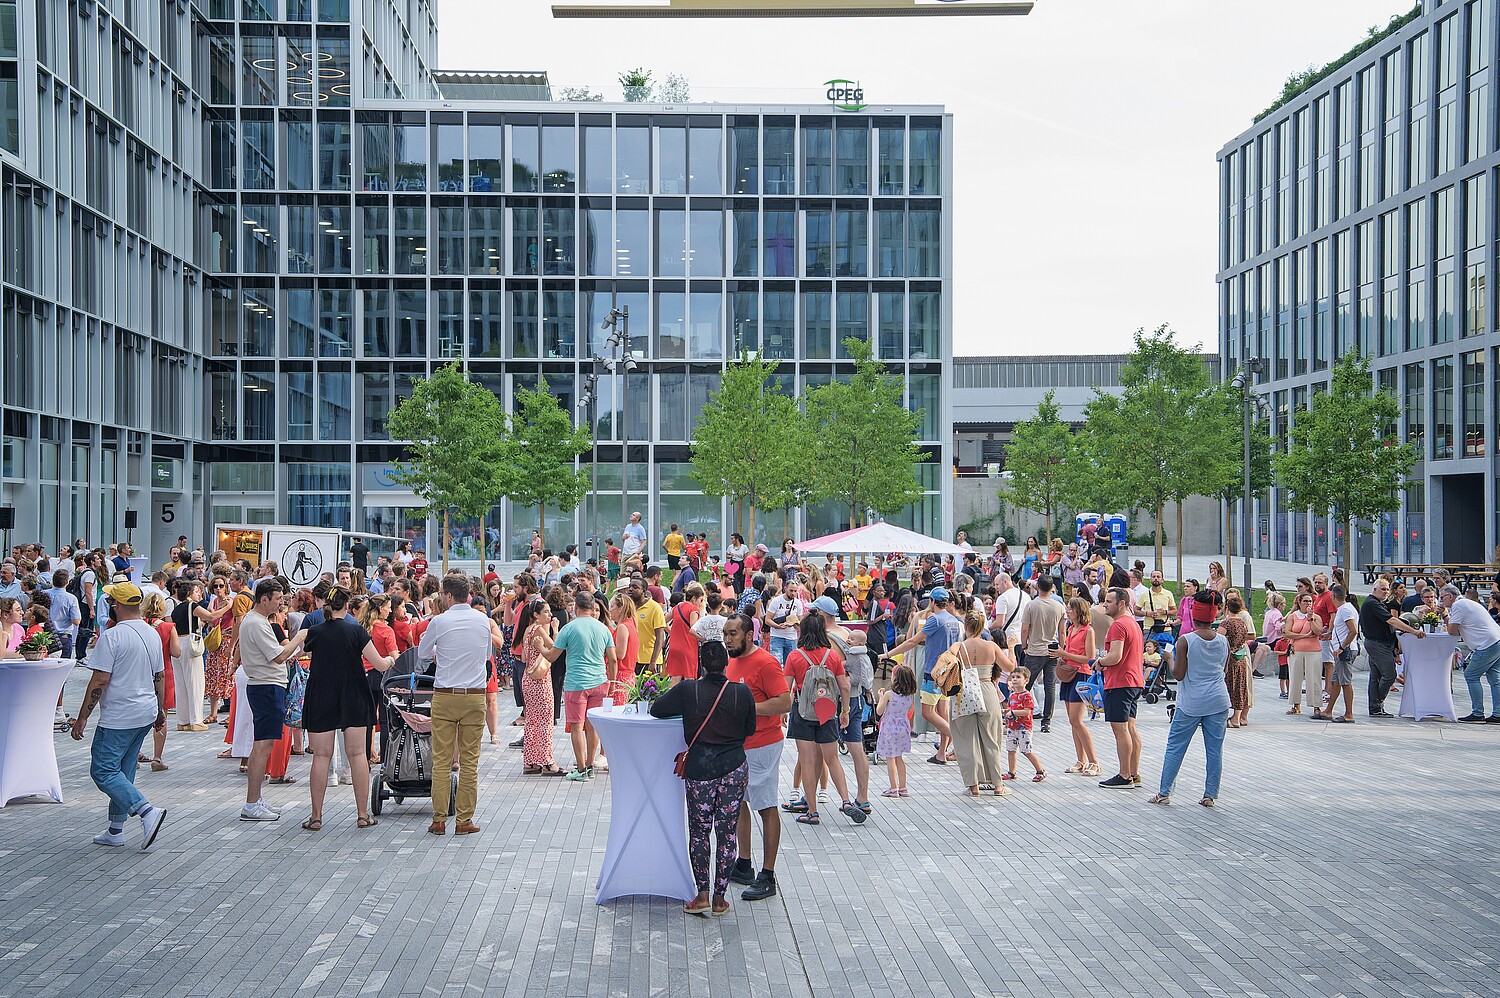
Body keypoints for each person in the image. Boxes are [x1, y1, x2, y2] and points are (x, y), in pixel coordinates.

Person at [650, 640, 756, 917]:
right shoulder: (741, 692)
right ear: (726, 663)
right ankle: (721, 899)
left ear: (701, 664)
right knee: (726, 833)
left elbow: (657, 709)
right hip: (734, 766)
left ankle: (702, 896)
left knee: (699, 833)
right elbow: (750, 729)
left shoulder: (688, 690)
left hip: (700, 769)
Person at [68, 581, 168, 850]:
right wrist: (160, 709)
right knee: (123, 770)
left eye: (112, 601)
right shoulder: (151, 633)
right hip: (145, 710)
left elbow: (100, 679)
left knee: (103, 770)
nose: (110, 605)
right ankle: (115, 829)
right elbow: (159, 676)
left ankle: (146, 811)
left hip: (120, 714)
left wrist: (82, 717)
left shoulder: (112, 636)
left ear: (118, 605)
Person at [300, 585, 396, 831]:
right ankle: (363, 815)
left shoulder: (316, 632)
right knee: (357, 755)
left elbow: (302, 651)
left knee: (321, 756)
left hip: (321, 693)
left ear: (326, 607)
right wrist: (392, 659)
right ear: (347, 605)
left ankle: (316, 816)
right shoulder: (356, 631)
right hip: (353, 693)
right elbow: (380, 664)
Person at [723, 613, 792, 902]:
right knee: (739, 803)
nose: (727, 640)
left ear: (749, 635)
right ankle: (744, 863)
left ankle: (768, 874)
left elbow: (784, 701)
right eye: (725, 634)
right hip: (739, 744)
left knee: (765, 806)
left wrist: (746, 707)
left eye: (733, 634)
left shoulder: (765, 662)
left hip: (763, 745)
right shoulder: (730, 660)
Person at [418, 575, 493, 835]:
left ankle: (439, 819)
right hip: (474, 695)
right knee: (470, 762)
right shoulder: (483, 619)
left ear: (448, 596)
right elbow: (485, 656)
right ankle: (464, 820)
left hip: (445, 694)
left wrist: (441, 655)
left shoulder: (439, 621)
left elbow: (422, 653)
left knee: (441, 760)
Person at [780, 611, 866, 826]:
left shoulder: (795, 656)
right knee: (832, 758)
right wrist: (844, 711)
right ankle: (846, 801)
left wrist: (784, 710)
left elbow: (785, 686)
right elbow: (844, 686)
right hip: (827, 711)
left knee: (807, 762)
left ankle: (812, 811)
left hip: (803, 711)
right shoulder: (833, 656)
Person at [1149, 591, 1232, 807]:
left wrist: (1168, 659)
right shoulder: (1224, 641)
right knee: (1214, 749)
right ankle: (1210, 795)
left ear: (1193, 615)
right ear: (1214, 616)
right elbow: (1223, 668)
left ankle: (1164, 792)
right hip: (1218, 699)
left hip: (1192, 702)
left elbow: (1178, 674)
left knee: (1176, 746)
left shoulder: (1186, 640)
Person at [236, 579, 304, 822]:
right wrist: (299, 637)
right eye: (277, 599)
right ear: (264, 599)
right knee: (262, 745)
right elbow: (278, 656)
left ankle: (255, 800)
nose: (280, 602)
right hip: (265, 686)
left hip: (267, 685)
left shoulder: (259, 622)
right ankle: (252, 803)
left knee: (263, 744)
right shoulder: (256, 622)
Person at [539, 591, 617, 781]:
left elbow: (551, 656)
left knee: (577, 726)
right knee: (593, 727)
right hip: (600, 681)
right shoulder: (603, 628)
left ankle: (581, 769)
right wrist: (612, 682)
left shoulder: (569, 628)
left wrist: (539, 646)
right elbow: (613, 659)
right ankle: (589, 765)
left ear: (575, 607)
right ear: (592, 608)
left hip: (576, 683)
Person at [886, 586, 961, 765]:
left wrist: (888, 654)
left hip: (933, 671)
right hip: (949, 671)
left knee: (928, 713)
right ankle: (942, 753)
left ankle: (960, 742)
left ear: (932, 602)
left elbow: (912, 640)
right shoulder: (954, 620)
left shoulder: (934, 620)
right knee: (943, 713)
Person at [947, 608, 1011, 796]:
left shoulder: (958, 646)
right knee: (992, 737)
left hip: (964, 692)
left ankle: (973, 785)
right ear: (983, 626)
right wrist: (1012, 647)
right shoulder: (991, 646)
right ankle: (998, 785)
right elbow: (1010, 666)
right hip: (986, 689)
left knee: (966, 739)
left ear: (965, 626)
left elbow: (947, 659)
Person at [1096, 586, 1145, 790]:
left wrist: (1099, 661)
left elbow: (1115, 656)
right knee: (1130, 728)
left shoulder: (1118, 625)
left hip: (1120, 682)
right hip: (1135, 681)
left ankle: (1124, 775)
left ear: (1121, 603)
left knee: (1120, 729)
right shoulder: (1133, 623)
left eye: (1108, 601)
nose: (1105, 605)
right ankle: (1133, 773)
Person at [1051, 596, 1099, 776]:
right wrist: (1062, 655)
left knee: (1077, 720)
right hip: (1069, 672)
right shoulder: (1071, 629)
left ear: (1079, 611)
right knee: (1073, 721)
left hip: (1081, 673)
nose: (1067, 611)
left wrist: (1063, 653)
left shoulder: (1088, 631)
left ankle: (1094, 761)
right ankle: (1081, 760)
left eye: (1070, 608)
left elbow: (1089, 656)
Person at [518, 598, 563, 775]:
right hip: (540, 680)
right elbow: (556, 648)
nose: (550, 615)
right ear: (536, 615)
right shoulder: (538, 629)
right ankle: (547, 761)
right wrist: (555, 630)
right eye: (546, 612)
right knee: (545, 720)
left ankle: (530, 761)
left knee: (531, 721)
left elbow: (523, 657)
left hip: (527, 678)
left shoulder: (528, 630)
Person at [1443, 585, 1500, 722]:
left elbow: (1452, 631)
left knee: (1471, 675)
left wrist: (1445, 615)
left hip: (1486, 644)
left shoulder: (1459, 605)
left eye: (1442, 597)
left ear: (1450, 596)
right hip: (1496, 639)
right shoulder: (1467, 603)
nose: (1440, 601)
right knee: (1494, 678)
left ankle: (1478, 713)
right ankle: (1498, 713)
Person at [1016, 575, 1064, 732]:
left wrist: (1024, 646)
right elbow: (1062, 632)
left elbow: (1024, 629)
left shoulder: (1031, 605)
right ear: (1052, 588)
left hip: (1035, 649)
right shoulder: (1059, 607)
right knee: (1050, 686)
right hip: (1052, 649)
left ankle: (1021, 713)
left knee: (1026, 684)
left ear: (1037, 587)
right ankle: (1046, 720)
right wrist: (1061, 650)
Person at [876, 663, 917, 798]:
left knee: (890, 759)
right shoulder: (910, 695)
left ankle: (893, 788)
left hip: (889, 728)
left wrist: (881, 697)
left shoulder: (889, 694)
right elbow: (909, 711)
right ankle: (903, 787)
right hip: (903, 727)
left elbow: (879, 711)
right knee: (899, 758)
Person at [1321, 585, 1359, 724]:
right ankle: (1328, 710)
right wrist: (1330, 634)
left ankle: (1349, 714)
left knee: (1345, 682)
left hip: (1345, 650)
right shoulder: (1345, 609)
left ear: (1333, 597)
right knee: (1336, 681)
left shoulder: (1345, 610)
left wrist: (1342, 647)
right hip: (1342, 649)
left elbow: (1353, 630)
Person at [1001, 668, 1046, 783]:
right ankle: (1012, 772)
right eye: (1013, 677)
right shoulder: (1012, 696)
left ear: (1026, 680)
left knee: (1027, 750)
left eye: (1018, 677)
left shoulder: (1027, 696)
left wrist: (1013, 712)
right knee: (1010, 750)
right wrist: (1006, 712)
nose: (1015, 679)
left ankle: (1040, 771)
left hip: (1024, 728)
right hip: (1012, 727)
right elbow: (1012, 709)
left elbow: (1027, 711)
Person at [1284, 592, 1325, 715]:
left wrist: (1311, 618)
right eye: (1305, 601)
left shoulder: (1316, 617)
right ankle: (1296, 704)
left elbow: (1318, 632)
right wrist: (1304, 636)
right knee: (1295, 677)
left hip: (1313, 651)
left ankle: (1316, 705)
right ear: (1299, 603)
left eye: (1310, 601)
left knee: (1314, 678)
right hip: (1296, 650)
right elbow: (1288, 633)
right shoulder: (1293, 616)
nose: (1308, 603)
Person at [663, 583, 704, 679]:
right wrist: (703, 638)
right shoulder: (694, 609)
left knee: (675, 677)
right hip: (688, 646)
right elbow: (693, 627)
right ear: (694, 598)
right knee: (689, 677)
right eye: (700, 600)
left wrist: (671, 632)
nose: (700, 603)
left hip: (674, 646)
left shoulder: (677, 607)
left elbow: (663, 621)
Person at [632, 578, 667, 675]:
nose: (631, 589)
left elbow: (660, 637)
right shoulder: (629, 607)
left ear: (643, 591)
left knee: (648, 690)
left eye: (635, 587)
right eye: (630, 587)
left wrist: (653, 661)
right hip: (633, 659)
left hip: (649, 660)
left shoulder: (655, 608)